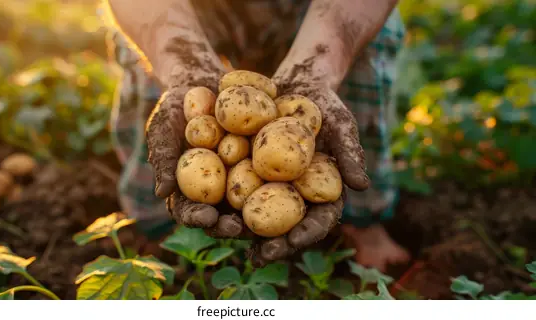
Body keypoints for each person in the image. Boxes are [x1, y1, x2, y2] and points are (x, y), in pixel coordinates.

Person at [103, 0, 410, 271]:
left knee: (362, 78)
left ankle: (365, 219)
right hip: (192, 8)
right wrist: (183, 62)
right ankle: (151, 222)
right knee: (164, 94)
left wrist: (319, 65)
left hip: (319, 10)